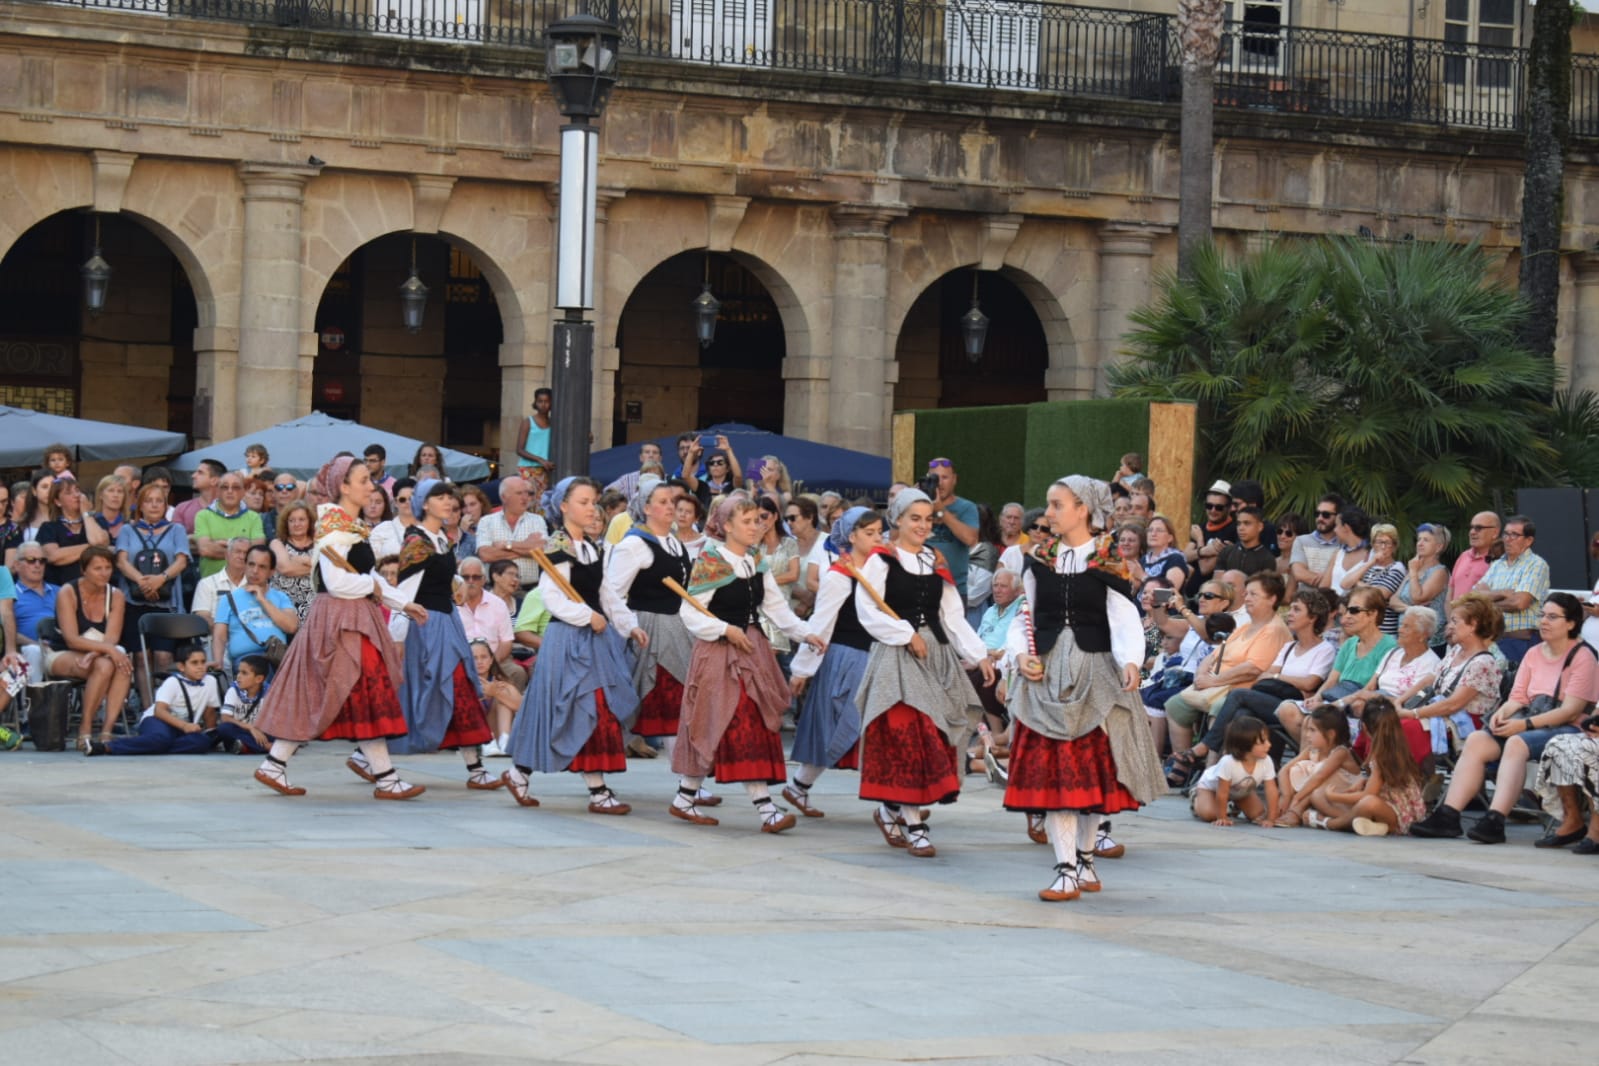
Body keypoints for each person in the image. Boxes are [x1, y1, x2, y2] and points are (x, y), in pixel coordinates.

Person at [1003, 477, 1162, 901]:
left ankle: (1085, 861)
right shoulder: (1039, 559)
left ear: (1082, 510)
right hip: (1049, 673)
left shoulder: (1109, 559)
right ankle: (1066, 869)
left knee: (1089, 778)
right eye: (1050, 505)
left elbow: (1124, 617)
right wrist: (1020, 655)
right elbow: (1025, 615)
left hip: (1097, 672)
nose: (1048, 514)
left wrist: (1131, 660)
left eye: (1057, 505)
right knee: (1059, 779)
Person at [250, 456, 429, 800]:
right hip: (342, 621)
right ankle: (385, 777)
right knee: (360, 691)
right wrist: (371, 588)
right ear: (343, 487)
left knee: (335, 692)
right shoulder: (335, 528)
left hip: (351, 617)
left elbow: (366, 576)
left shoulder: (349, 525)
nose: (371, 486)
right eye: (363, 480)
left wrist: (400, 602)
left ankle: (276, 763)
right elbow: (335, 582)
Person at [850, 488, 993, 858]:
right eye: (915, 518)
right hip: (896, 659)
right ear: (896, 520)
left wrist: (979, 655)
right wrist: (905, 633)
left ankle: (890, 810)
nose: (922, 525)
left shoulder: (935, 559)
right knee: (913, 735)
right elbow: (868, 611)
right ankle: (915, 825)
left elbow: (952, 616)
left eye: (928, 519)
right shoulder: (881, 560)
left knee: (939, 732)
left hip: (937, 655)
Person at [668, 493, 824, 832]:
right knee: (729, 721)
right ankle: (766, 808)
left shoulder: (755, 560)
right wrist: (724, 629)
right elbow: (689, 612)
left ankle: (684, 798)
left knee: (734, 722)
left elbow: (775, 607)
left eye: (758, 521)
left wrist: (805, 633)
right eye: (748, 521)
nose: (756, 527)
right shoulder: (711, 561)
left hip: (751, 650)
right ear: (726, 526)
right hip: (718, 654)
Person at [502, 477, 643, 813]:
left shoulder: (592, 547)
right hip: (568, 638)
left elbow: (606, 594)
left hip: (595, 638)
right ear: (564, 506)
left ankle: (518, 773)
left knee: (574, 707)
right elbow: (551, 597)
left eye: (593, 501)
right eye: (583, 501)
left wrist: (629, 625)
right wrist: (586, 616)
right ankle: (597, 790)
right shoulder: (557, 546)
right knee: (581, 706)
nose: (591, 507)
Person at [1411, 592, 1598, 842]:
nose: (1543, 621)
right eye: (1542, 615)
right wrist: (1501, 715)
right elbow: (1518, 697)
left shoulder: (1583, 656)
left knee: (1516, 743)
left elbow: (1571, 710)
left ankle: (1496, 819)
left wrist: (1522, 724)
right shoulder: (1533, 653)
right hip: (1529, 720)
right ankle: (1448, 815)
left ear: (1571, 623)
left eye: (1552, 617)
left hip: (1566, 727)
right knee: (1478, 739)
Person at [380, 480, 500, 790]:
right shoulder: (416, 543)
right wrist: (397, 641)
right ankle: (475, 769)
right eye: (440, 497)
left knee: (446, 689)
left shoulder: (440, 540)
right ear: (424, 503)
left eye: (451, 497)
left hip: (447, 623)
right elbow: (404, 593)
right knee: (445, 688)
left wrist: (457, 582)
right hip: (427, 626)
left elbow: (441, 575)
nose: (448, 502)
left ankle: (367, 756)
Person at [784, 507, 884, 816]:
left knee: (870, 729)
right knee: (846, 727)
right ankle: (892, 805)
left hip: (873, 656)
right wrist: (801, 669)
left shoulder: (880, 569)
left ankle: (798, 787)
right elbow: (821, 624)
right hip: (847, 658)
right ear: (851, 537)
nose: (877, 538)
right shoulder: (839, 576)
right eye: (870, 533)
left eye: (880, 532)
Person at [1184, 586, 1335, 767]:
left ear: (1312, 617)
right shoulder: (1289, 647)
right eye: (1291, 608)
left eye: (1297, 610)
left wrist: (1278, 676)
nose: (1290, 614)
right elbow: (1265, 676)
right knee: (1241, 715)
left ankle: (1205, 747)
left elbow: (1310, 682)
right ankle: (1229, 773)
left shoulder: (1324, 649)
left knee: (1239, 695)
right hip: (1275, 701)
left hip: (1296, 706)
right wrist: (1280, 677)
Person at [605, 481, 696, 763]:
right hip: (648, 630)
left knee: (674, 701)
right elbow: (611, 592)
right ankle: (598, 769)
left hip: (677, 629)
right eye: (664, 501)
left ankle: (687, 780)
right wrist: (630, 626)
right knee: (650, 700)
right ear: (646, 508)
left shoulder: (675, 543)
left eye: (674, 501)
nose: (672, 506)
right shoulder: (633, 545)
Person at [1163, 571, 1291, 764]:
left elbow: (1252, 669)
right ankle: (1182, 766)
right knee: (1174, 705)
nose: (1246, 598)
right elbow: (1214, 655)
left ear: (1272, 599)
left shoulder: (1273, 630)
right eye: (1246, 593)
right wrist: (1201, 675)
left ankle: (1210, 771)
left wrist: (1213, 680)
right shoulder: (1246, 626)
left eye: (1253, 594)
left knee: (1219, 707)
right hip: (1214, 685)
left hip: (1240, 689)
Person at [1275, 585, 1396, 739]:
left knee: (1316, 721)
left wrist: (1335, 704)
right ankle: (1316, 757)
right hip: (1337, 698)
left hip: (1358, 706)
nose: (1346, 617)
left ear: (1372, 614)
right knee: (1287, 709)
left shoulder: (1389, 646)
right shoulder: (1349, 644)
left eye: (1354, 610)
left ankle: (1323, 758)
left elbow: (1372, 689)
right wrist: (1317, 697)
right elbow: (1332, 680)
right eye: (1346, 611)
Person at [1398, 592, 1504, 759]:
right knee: (1385, 718)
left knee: (1405, 725)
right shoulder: (1456, 651)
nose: (1449, 626)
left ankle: (1411, 778)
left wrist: (1413, 714)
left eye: (1455, 621)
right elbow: (1431, 679)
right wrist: (1399, 701)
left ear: (1473, 625)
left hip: (1465, 722)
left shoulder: (1482, 662)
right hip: (1442, 712)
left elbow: (1453, 704)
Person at [50, 545, 133, 751]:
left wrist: (98, 652)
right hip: (63, 653)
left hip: (99, 655)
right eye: (97, 568)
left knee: (120, 663)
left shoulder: (116, 595)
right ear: (83, 570)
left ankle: (106, 730)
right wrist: (108, 651)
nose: (104, 573)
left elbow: (112, 637)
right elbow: (71, 639)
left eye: (107, 567)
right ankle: (85, 727)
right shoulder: (67, 592)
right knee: (108, 663)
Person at [114, 482, 189, 704]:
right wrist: (143, 582)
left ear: (166, 505)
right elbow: (121, 560)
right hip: (134, 602)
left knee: (163, 656)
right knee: (140, 657)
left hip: (166, 603)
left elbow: (182, 560)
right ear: (140, 505)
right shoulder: (128, 530)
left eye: (159, 501)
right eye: (149, 501)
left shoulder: (176, 530)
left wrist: (160, 579)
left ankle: (165, 705)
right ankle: (148, 708)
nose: (154, 505)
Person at [85, 642, 219, 756]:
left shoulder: (210, 681)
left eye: (203, 662)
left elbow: (209, 711)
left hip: (183, 728)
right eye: (194, 663)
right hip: (158, 720)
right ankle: (107, 747)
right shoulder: (173, 682)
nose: (201, 667)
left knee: (202, 742)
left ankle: (153, 746)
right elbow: (159, 711)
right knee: (160, 739)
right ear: (181, 667)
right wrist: (185, 726)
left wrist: (210, 733)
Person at [1473, 514, 1549, 666]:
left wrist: (1488, 600)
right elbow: (1473, 597)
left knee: (1515, 687)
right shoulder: (1497, 565)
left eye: (1515, 535)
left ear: (1529, 540)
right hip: (1492, 640)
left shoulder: (1536, 565)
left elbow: (1519, 603)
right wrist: (1502, 593)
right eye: (1506, 534)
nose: (1508, 539)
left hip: (1520, 642)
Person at [212, 546, 299, 670]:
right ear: (245, 565)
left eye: (262, 567)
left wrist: (263, 600)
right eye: (251, 564)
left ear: (271, 572)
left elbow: (291, 627)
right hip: (246, 662)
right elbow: (220, 636)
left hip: (276, 658)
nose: (255, 571)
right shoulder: (229, 599)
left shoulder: (280, 597)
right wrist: (218, 661)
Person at [1275, 707, 1359, 827]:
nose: (1307, 735)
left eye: (1312, 730)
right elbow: (1285, 770)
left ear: (1331, 734)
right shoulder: (1312, 750)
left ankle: (1296, 811)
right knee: (1298, 769)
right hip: (1322, 795)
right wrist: (1286, 796)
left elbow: (1319, 777)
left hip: (1343, 797)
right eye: (1307, 730)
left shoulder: (1340, 752)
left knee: (1318, 782)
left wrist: (1297, 798)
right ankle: (1289, 810)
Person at [1190, 716, 1278, 826]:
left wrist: (1271, 818)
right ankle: (1197, 798)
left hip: (1240, 790)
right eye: (1262, 742)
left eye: (1268, 740)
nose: (1269, 745)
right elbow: (1222, 792)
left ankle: (1234, 804)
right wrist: (1222, 818)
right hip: (1211, 788)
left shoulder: (1266, 760)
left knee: (1258, 814)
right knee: (1210, 815)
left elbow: (1271, 790)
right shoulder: (1228, 762)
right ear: (1244, 745)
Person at [456, 555, 525, 689]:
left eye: (476, 577)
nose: (471, 581)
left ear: (484, 580)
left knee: (518, 673)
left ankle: (512, 709)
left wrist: (492, 664)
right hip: (461, 661)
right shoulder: (451, 606)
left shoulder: (498, 604)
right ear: (459, 580)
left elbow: (506, 641)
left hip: (496, 659)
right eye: (466, 577)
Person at [922, 457, 980, 602]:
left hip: (954, 590)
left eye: (945, 477)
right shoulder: (918, 506)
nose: (939, 483)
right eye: (935, 478)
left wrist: (941, 511)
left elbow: (971, 539)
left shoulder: (966, 508)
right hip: (921, 586)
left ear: (954, 479)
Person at [475, 475, 547, 592]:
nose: (525, 498)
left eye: (527, 493)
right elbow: (485, 555)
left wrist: (507, 545)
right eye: (519, 493)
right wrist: (526, 547)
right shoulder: (487, 521)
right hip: (495, 591)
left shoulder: (537, 520)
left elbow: (542, 549)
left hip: (529, 590)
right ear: (504, 497)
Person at [193, 472, 265, 579]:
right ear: (218, 491)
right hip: (211, 584)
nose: (230, 491)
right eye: (225, 487)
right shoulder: (203, 515)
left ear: (242, 492)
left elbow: (257, 552)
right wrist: (243, 551)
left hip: (245, 584)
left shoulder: (254, 517)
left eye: (235, 487)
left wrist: (225, 544)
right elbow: (205, 550)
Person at [9, 544, 58, 682]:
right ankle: (35, 700)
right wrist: (37, 645)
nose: (38, 565)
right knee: (33, 651)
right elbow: (7, 631)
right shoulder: (9, 595)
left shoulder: (60, 591)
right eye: (31, 560)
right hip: (27, 650)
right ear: (17, 565)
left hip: (60, 649)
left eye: (42, 561)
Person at [39, 477, 97, 587]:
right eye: (68, 492)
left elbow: (100, 540)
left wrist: (86, 513)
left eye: (77, 490)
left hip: (93, 589)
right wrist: (92, 547)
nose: (76, 495)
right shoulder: (49, 528)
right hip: (60, 590)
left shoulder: (94, 523)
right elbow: (54, 556)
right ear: (57, 501)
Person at [1397, 522, 1451, 638]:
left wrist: (1412, 572)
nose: (1420, 543)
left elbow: (1417, 598)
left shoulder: (1440, 572)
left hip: (1428, 639)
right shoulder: (1415, 569)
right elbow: (1392, 600)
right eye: (1419, 539)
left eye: (1426, 540)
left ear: (1439, 547)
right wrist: (1410, 609)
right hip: (1404, 634)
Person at [472, 639, 521, 757]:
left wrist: (496, 694)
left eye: (484, 657)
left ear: (491, 660)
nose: (479, 662)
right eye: (474, 658)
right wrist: (482, 697)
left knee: (502, 691)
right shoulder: (462, 682)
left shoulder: (501, 683)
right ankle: (486, 741)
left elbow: (523, 708)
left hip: (496, 731)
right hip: (473, 733)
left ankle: (505, 741)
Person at [215, 654, 272, 755]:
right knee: (224, 728)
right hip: (239, 731)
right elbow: (225, 718)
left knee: (280, 734)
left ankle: (246, 747)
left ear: (258, 679)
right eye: (238, 672)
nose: (238, 676)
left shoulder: (269, 692)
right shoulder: (233, 690)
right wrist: (250, 728)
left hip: (260, 733)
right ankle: (266, 747)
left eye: (244, 673)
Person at [269, 501, 317, 621]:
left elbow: (329, 569)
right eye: (292, 520)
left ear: (310, 522)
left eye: (301, 519)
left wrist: (303, 560)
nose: (297, 524)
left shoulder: (319, 544)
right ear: (286, 524)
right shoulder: (277, 544)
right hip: (284, 612)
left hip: (314, 613)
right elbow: (286, 568)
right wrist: (315, 565)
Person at [1319, 505, 1372, 601]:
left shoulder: (1371, 555)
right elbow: (1323, 588)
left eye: (1337, 525)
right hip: (1332, 610)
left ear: (1346, 528)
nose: (1334, 530)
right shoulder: (1338, 554)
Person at [192, 537, 250, 625]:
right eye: (238, 552)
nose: (242, 556)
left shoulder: (256, 585)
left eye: (246, 553)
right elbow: (202, 617)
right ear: (227, 555)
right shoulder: (207, 584)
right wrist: (224, 634)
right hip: (216, 636)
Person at [1451, 511, 1501, 603]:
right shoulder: (1464, 556)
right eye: (1471, 527)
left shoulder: (1500, 561)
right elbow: (1450, 593)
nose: (1472, 532)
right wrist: (1452, 617)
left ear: (1495, 532)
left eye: (1478, 528)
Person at [1214, 506, 1274, 580]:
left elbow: (1264, 588)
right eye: (1239, 523)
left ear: (1260, 527)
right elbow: (1217, 583)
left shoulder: (1267, 559)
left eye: (1247, 523)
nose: (1241, 528)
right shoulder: (1227, 552)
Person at [1139, 515, 1189, 594]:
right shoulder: (1144, 559)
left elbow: (1167, 594)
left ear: (1170, 538)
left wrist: (1142, 576)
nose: (1153, 534)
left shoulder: (1175, 559)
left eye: (1159, 530)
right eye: (1150, 530)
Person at [367, 478, 414, 561]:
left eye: (411, 499)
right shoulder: (381, 530)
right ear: (395, 502)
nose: (407, 502)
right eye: (402, 499)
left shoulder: (427, 528)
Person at [172, 459, 223, 535]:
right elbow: (175, 539)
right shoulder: (182, 508)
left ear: (214, 480)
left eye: (200, 472)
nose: (193, 476)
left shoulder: (232, 508)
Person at [515, 390, 553, 479]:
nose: (543, 404)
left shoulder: (553, 422)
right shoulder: (528, 422)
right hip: (528, 469)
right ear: (535, 403)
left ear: (551, 403)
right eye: (540, 401)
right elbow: (519, 450)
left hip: (546, 469)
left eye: (546, 401)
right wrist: (540, 460)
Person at [86, 474, 128, 543]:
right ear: (101, 495)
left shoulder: (130, 524)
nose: (116, 495)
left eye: (120, 491)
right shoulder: (90, 518)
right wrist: (86, 512)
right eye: (111, 490)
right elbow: (84, 515)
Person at [456, 484, 492, 562]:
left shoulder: (492, 524)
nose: (468, 510)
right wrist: (462, 533)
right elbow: (459, 558)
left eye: (473, 504)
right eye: (464, 506)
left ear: (481, 504)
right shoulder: (456, 529)